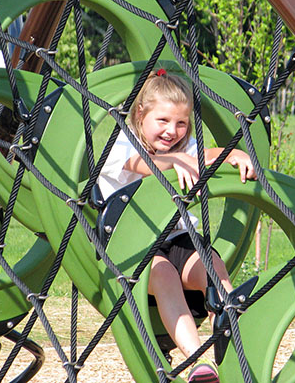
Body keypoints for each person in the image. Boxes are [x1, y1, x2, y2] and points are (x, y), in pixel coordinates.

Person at [98, 69, 256, 382]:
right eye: (163, 121)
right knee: (164, 275)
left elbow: (205, 155)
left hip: (179, 238)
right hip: (133, 246)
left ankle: (236, 337)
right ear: (141, 114)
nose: (173, 131)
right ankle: (197, 361)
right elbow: (139, 165)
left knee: (213, 267)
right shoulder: (121, 143)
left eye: (181, 123)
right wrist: (176, 161)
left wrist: (232, 154)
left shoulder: (185, 147)